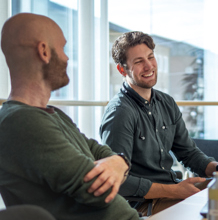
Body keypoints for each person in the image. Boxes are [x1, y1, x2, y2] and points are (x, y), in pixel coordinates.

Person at [100, 31, 218, 215]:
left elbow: (189, 154)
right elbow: (118, 181)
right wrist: (174, 190)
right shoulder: (119, 112)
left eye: (151, 57)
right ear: (122, 70)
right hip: (142, 206)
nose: (149, 66)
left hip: (172, 193)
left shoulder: (166, 102)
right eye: (138, 62)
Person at [0, 13, 142, 220]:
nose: (67, 58)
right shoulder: (21, 122)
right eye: (63, 48)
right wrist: (119, 162)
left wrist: (119, 162)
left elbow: (100, 151)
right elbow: (97, 192)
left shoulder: (53, 115)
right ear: (44, 52)